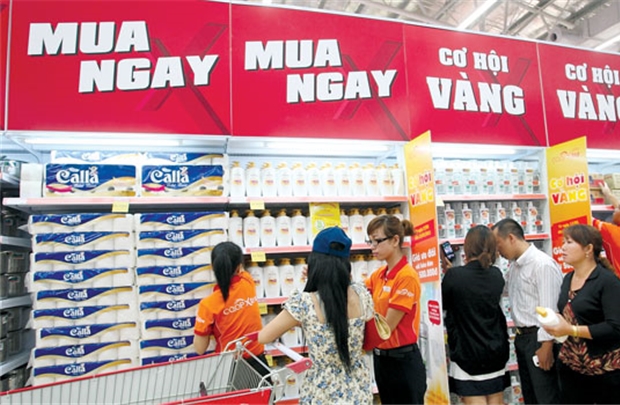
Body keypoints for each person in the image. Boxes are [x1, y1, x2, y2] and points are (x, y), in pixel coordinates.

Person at [258, 227, 374, 405]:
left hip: (322, 392)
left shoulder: (304, 303)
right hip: (358, 390)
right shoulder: (362, 294)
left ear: (315, 263)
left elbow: (264, 337)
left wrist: (304, 321)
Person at [541, 224, 620, 404]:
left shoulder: (608, 282)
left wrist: (571, 329)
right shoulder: (567, 278)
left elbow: (615, 327)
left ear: (588, 249)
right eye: (563, 242)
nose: (563, 247)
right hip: (571, 368)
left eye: (569, 242)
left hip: (605, 371)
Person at [492, 218, 562, 404]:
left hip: (539, 339)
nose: (498, 251)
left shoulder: (542, 265)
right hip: (522, 338)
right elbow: (501, 290)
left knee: (546, 396)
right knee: (531, 396)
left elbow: (550, 309)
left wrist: (546, 345)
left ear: (511, 238)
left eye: (498, 244)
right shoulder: (515, 266)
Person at [443, 225, 510, 405]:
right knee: (496, 400)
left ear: (467, 247)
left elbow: (445, 302)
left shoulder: (454, 277)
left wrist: (450, 272)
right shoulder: (496, 275)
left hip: (467, 353)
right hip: (495, 351)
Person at [365, 215, 427, 405]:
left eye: (377, 241)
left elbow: (386, 327)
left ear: (395, 240)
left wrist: (359, 343)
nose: (372, 246)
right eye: (370, 241)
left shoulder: (406, 276)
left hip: (403, 362)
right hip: (382, 361)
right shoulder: (378, 275)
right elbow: (356, 297)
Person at [193, 241, 269, 376]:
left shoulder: (208, 305)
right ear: (239, 267)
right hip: (259, 362)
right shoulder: (247, 282)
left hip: (230, 368)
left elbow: (200, 349)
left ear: (213, 267)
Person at [594, 182, 620, 275]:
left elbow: (588, 218)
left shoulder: (612, 232)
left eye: (617, 209)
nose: (614, 210)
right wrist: (609, 194)